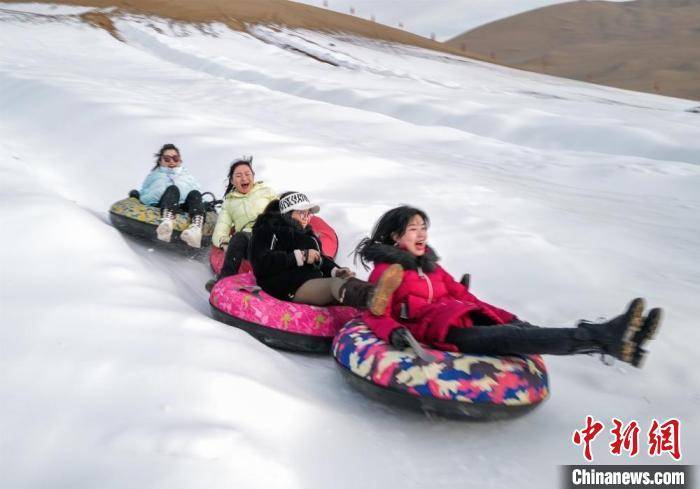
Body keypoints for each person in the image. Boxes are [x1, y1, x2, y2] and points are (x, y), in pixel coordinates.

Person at [353, 205, 663, 368]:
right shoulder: (387, 270)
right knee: (510, 337)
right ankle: (607, 337)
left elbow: (466, 297)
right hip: (439, 333)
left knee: (520, 331)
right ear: (395, 237)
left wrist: (507, 316)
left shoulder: (432, 267)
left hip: (460, 318)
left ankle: (619, 340)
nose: (422, 235)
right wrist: (394, 333)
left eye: (424, 228)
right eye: (413, 229)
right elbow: (375, 313)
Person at [249, 191, 403, 313]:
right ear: (288, 213)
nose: (306, 218)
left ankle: (391, 302)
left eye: (308, 213)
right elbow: (261, 262)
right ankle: (372, 298)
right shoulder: (269, 230)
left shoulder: (308, 236)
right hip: (286, 286)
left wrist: (336, 270)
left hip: (309, 280)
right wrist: (300, 257)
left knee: (343, 281)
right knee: (334, 285)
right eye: (301, 213)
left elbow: (320, 259)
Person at [211, 157, 276, 279]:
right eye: (239, 176)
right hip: (251, 240)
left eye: (247, 174)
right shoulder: (229, 203)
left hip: (273, 232)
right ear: (232, 180)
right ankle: (223, 280)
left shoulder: (267, 191)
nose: (244, 178)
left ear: (253, 176)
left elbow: (282, 210)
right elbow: (221, 228)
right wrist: (224, 242)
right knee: (239, 237)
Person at [138, 143, 205, 248]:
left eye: (175, 158)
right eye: (167, 159)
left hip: (184, 207)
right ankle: (166, 224)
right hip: (162, 204)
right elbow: (145, 194)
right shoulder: (154, 176)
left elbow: (199, 195)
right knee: (173, 189)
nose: (172, 162)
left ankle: (196, 229)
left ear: (180, 160)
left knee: (195, 193)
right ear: (160, 161)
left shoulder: (188, 177)